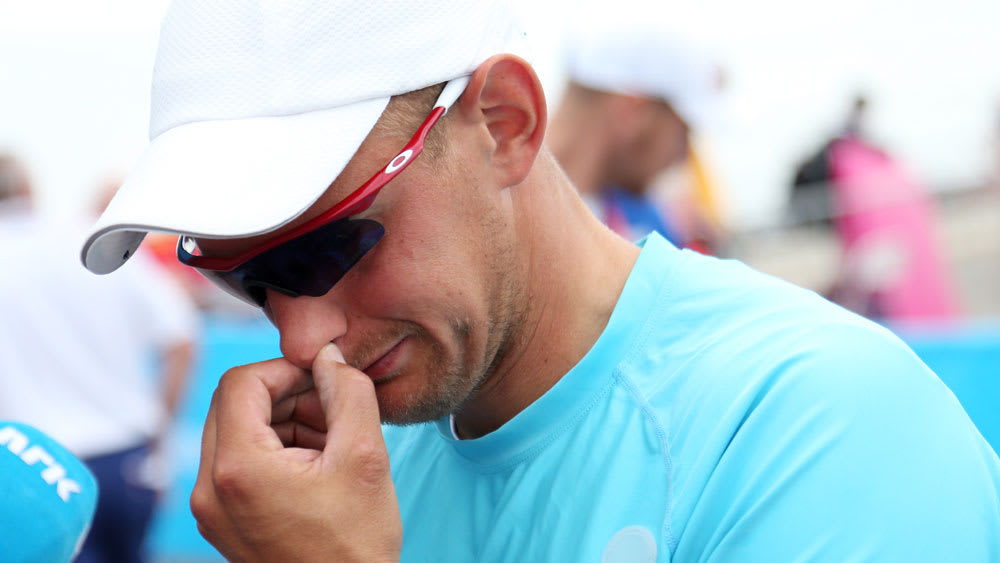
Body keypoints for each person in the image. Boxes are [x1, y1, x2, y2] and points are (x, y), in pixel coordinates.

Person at [80, 1, 1000, 561]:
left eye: (328, 248)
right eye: (249, 277)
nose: (300, 336)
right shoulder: (344, 479)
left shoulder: (815, 425)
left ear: (506, 122)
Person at [0, 154, 200, 562]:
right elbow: (182, 339)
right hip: (123, 461)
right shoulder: (91, 242)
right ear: (30, 190)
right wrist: (159, 437)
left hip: (24, 467)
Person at [547, 20, 725, 253]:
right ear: (632, 112)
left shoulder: (651, 228)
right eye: (683, 133)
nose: (683, 157)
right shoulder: (505, 218)